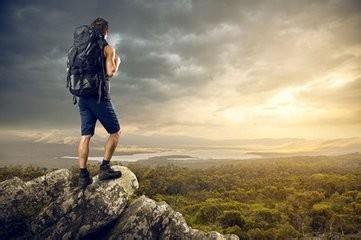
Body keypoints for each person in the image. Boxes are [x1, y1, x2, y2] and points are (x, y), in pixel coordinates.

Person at [77, 17, 122, 188]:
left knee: (86, 136)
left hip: (82, 96)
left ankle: (83, 176)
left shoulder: (79, 48)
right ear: (106, 32)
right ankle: (104, 168)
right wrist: (117, 62)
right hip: (99, 96)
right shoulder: (107, 48)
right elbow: (110, 72)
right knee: (115, 132)